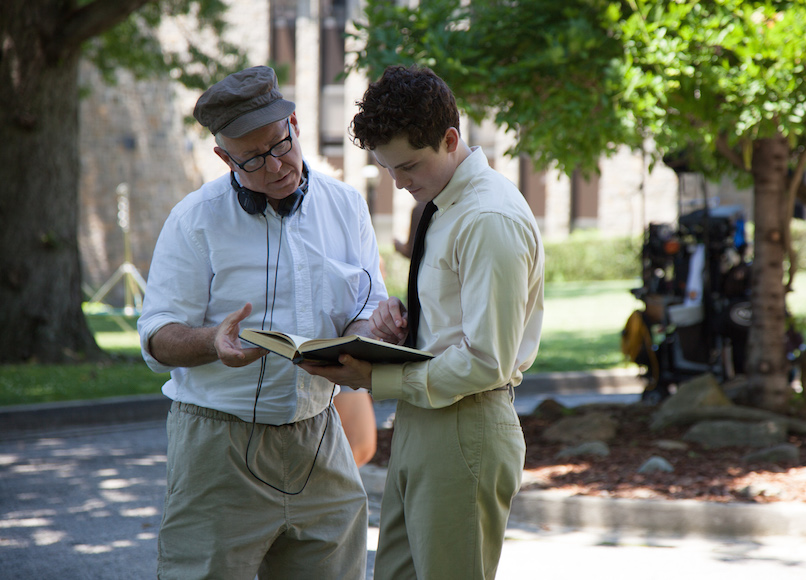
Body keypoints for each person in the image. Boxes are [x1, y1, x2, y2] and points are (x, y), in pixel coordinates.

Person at [137, 65, 385, 580]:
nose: (275, 167)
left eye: (280, 145)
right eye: (252, 159)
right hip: (217, 447)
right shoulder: (193, 219)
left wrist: (367, 337)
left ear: (294, 124)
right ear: (224, 158)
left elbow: (367, 303)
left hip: (321, 436)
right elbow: (158, 334)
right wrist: (211, 341)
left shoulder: (347, 206)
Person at [300, 64, 545, 580]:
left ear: (450, 138)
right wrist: (404, 327)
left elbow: (487, 361)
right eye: (389, 169)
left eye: (408, 165)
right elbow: (456, 326)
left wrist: (376, 379)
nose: (399, 182)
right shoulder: (446, 205)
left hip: (467, 423)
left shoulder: (486, 219)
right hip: (424, 417)